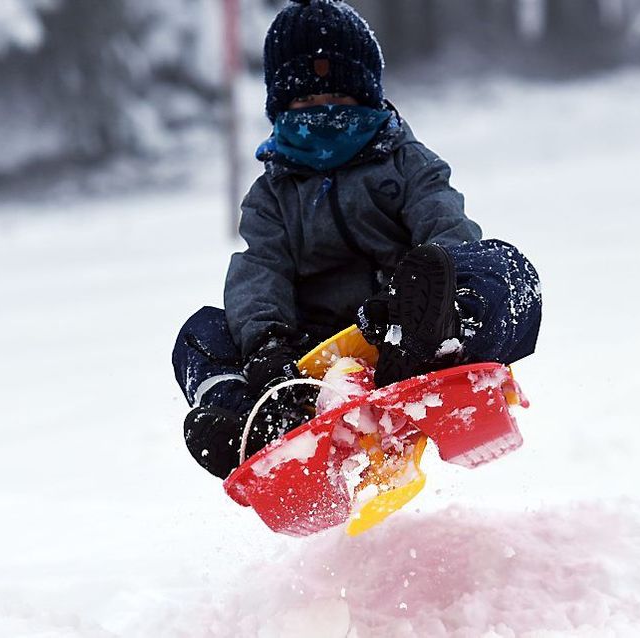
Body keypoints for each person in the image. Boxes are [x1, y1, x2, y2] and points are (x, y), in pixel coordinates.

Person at [173, 0, 541, 480]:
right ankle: (261, 418)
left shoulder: (407, 164)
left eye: (340, 103)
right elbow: (261, 271)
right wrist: (267, 346)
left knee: (506, 269)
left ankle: (441, 337)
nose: (323, 116)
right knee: (201, 335)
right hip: (311, 351)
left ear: (368, 99)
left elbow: (446, 225)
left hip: (397, 327)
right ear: (279, 110)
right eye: (305, 106)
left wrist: (429, 291)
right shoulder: (272, 196)